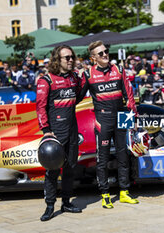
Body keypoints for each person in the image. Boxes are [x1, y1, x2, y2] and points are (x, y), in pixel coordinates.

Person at [78, 40, 139, 209]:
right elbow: (77, 97)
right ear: (93, 58)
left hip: (121, 118)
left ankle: (124, 192)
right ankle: (105, 194)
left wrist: (133, 117)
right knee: (102, 159)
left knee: (123, 156)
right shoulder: (88, 74)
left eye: (106, 51)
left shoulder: (118, 70)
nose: (105, 55)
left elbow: (129, 95)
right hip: (102, 121)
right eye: (101, 54)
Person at [36, 45, 83, 221]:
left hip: (72, 130)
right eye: (67, 58)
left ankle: (66, 202)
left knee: (70, 167)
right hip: (55, 132)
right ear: (58, 59)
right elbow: (40, 108)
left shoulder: (73, 78)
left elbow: (78, 97)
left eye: (72, 57)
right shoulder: (46, 80)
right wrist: (46, 131)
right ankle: (49, 206)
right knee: (52, 170)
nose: (71, 60)